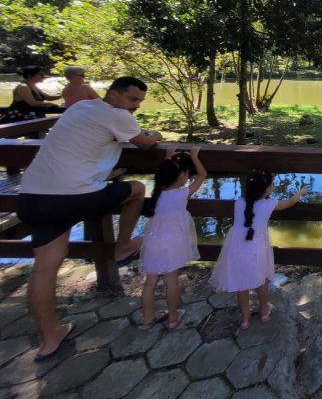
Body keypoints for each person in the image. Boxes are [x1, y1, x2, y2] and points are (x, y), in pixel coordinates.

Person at [16, 76, 163, 360]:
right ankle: (123, 246)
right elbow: (145, 143)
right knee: (137, 189)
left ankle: (50, 338)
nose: (135, 106)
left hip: (33, 197)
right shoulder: (118, 115)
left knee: (44, 268)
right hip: (76, 196)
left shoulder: (80, 108)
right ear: (113, 95)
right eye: (132, 99)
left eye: (139, 102)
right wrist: (155, 135)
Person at [210, 170, 306, 330]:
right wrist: (300, 192)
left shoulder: (238, 203)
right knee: (261, 281)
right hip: (257, 249)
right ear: (267, 189)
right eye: (271, 184)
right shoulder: (269, 204)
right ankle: (264, 311)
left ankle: (245, 319)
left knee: (241, 285)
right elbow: (290, 202)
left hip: (236, 249)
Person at [139, 146, 207, 331]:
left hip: (153, 240)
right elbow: (202, 175)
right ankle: (173, 318)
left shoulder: (158, 193)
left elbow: (164, 172)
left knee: (150, 282)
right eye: (186, 174)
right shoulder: (181, 194)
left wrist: (168, 156)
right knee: (171, 280)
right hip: (173, 243)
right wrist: (194, 157)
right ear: (182, 176)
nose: (187, 176)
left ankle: (147, 319)